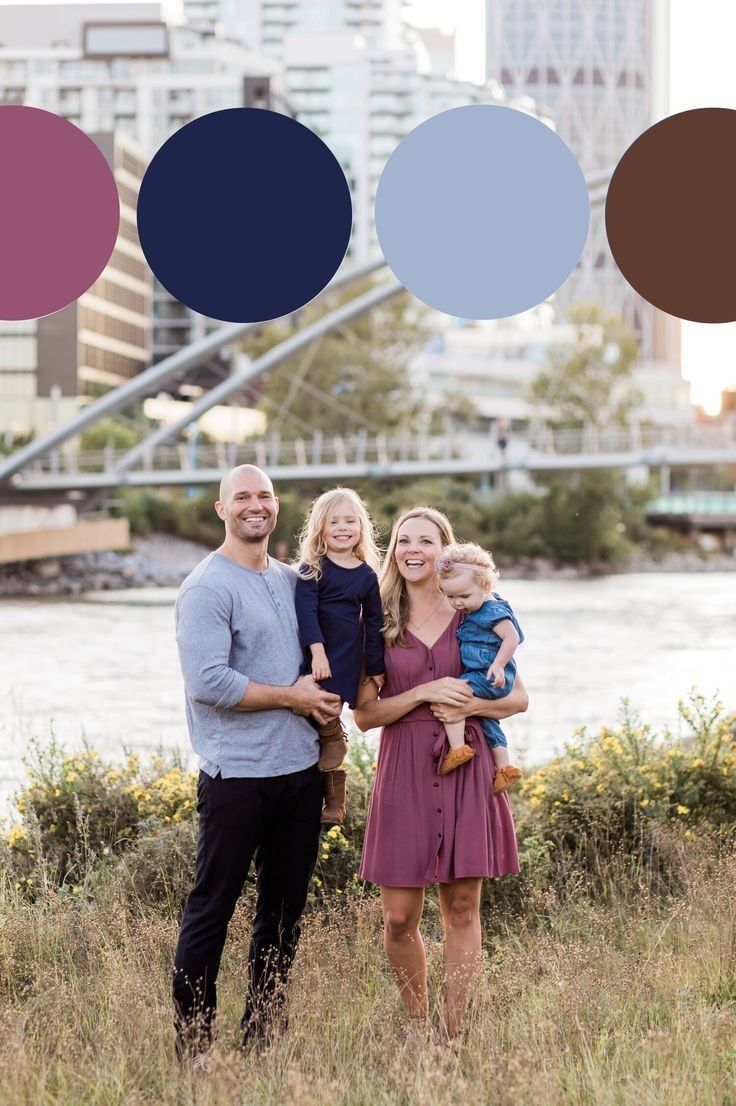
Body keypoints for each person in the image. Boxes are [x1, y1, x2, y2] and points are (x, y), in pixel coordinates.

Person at [172, 464, 341, 1065]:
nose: (255, 505)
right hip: (236, 778)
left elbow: (341, 630)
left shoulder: (295, 579)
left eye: (264, 496)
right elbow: (208, 683)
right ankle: (195, 1047)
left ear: (276, 507)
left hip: (299, 774)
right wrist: (292, 695)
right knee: (212, 910)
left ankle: (262, 1038)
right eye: (241, 497)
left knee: (284, 914)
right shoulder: (206, 588)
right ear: (221, 509)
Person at [355, 507, 528, 1049]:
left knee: (461, 906)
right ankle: (415, 1025)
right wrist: (426, 693)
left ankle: (451, 1034)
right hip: (404, 767)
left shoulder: (475, 610)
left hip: (467, 765)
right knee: (399, 917)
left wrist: (471, 701)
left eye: (425, 541)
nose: (412, 550)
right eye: (403, 540)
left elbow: (519, 698)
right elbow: (364, 715)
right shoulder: (376, 618)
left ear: (445, 552)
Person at [294, 487, 385, 825]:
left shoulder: (366, 575)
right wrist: (316, 652)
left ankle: (334, 800)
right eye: (334, 521)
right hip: (318, 650)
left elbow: (375, 623)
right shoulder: (312, 568)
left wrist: (376, 668)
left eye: (350, 521)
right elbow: (306, 613)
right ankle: (334, 754)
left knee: (327, 704)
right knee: (311, 709)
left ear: (361, 527)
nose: (343, 527)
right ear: (321, 527)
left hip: (346, 654)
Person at [433, 542, 524, 793]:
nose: (457, 603)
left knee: (451, 698)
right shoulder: (476, 607)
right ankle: (504, 768)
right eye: (450, 596)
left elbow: (512, 637)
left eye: (463, 596)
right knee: (488, 720)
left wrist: (498, 664)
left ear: (485, 586)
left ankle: (457, 748)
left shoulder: (491, 609)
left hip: (488, 675)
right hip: (487, 675)